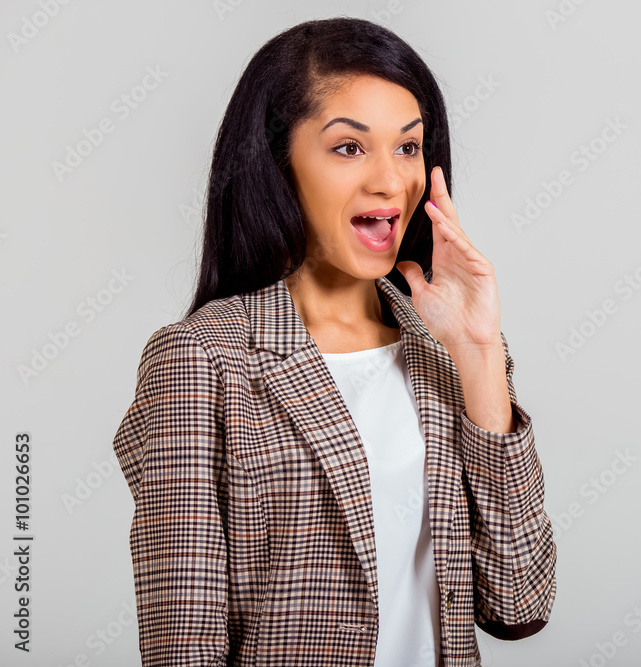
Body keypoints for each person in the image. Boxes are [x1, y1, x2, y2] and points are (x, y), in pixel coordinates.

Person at [112, 17, 556, 667]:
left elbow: (518, 604)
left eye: (408, 148)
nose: (388, 181)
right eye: (349, 148)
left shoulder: (449, 349)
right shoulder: (201, 359)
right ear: (277, 163)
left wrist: (481, 352)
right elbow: (184, 645)